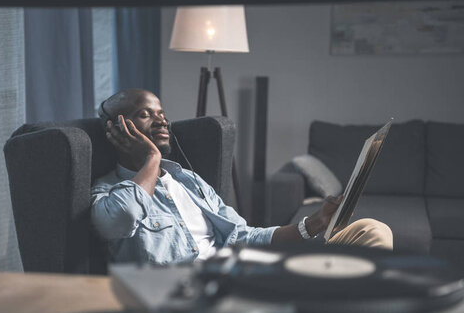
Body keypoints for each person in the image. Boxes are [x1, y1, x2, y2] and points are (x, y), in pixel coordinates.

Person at [91, 89, 393, 265]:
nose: (162, 120)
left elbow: (243, 235)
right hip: (193, 297)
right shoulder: (108, 192)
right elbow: (119, 219)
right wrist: (152, 158)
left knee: (371, 230)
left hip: (243, 272)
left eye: (161, 113)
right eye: (146, 114)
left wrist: (315, 223)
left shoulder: (189, 182)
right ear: (118, 130)